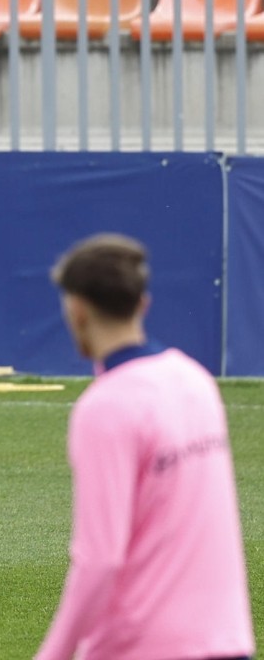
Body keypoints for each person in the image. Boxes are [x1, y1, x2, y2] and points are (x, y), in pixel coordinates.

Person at [36, 233, 255, 660]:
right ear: (142, 304)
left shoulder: (106, 406)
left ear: (76, 309)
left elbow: (100, 558)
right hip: (225, 640)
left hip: (147, 645)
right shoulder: (195, 381)